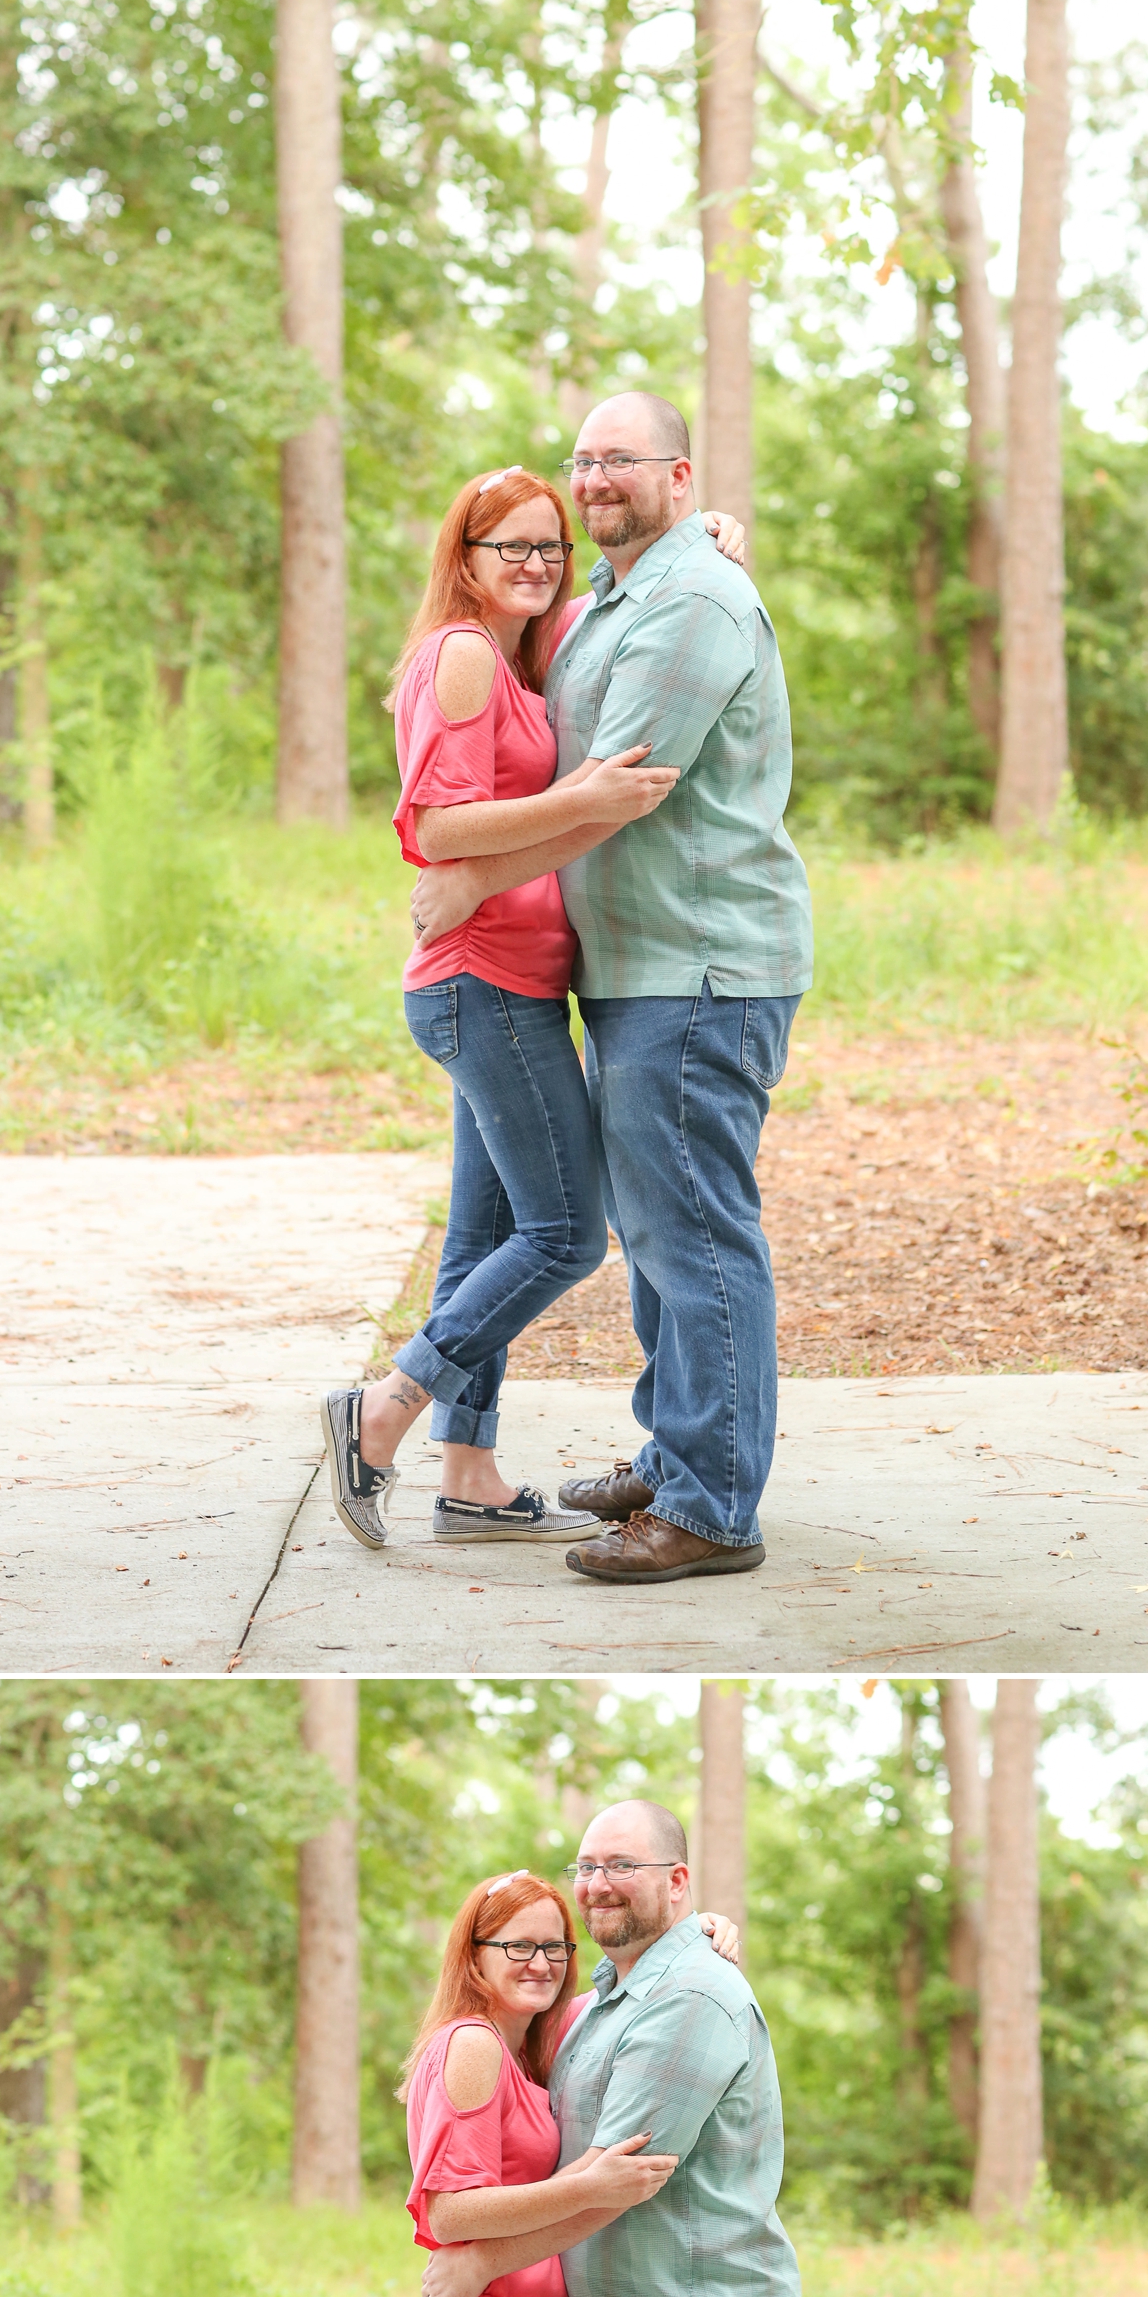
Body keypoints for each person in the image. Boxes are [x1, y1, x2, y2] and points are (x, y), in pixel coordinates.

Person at [410, 394, 814, 1586]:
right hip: (637, 969)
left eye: (620, 462)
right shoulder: (623, 595)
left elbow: (614, 789)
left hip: (696, 968)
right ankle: (680, 1452)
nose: (595, 481)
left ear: (677, 475)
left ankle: (709, 1507)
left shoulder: (686, 600)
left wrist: (468, 881)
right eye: (584, 462)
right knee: (657, 1233)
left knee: (694, 1236)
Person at [321, 461, 746, 1554]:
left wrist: (699, 535)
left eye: (547, 546)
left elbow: (633, 601)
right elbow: (436, 829)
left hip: (510, 983)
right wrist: (586, 801)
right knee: (564, 1237)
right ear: (463, 560)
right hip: (483, 985)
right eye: (507, 546)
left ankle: (469, 1474)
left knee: (484, 1234)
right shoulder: (462, 656)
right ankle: (385, 1410)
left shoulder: (525, 652)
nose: (534, 564)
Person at [421, 1804, 801, 2297]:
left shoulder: (687, 1995)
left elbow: (612, 2185)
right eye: (588, 1865)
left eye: (623, 1864)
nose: (598, 1881)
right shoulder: (599, 2006)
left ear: (678, 1881)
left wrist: (484, 2261)